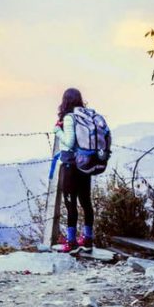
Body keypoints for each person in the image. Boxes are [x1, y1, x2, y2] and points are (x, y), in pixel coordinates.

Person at [53, 88, 94, 252]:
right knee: (86, 202)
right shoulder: (85, 116)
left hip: (70, 165)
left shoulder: (69, 118)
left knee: (71, 204)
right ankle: (88, 237)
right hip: (85, 165)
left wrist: (57, 131)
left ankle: (71, 241)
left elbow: (69, 142)